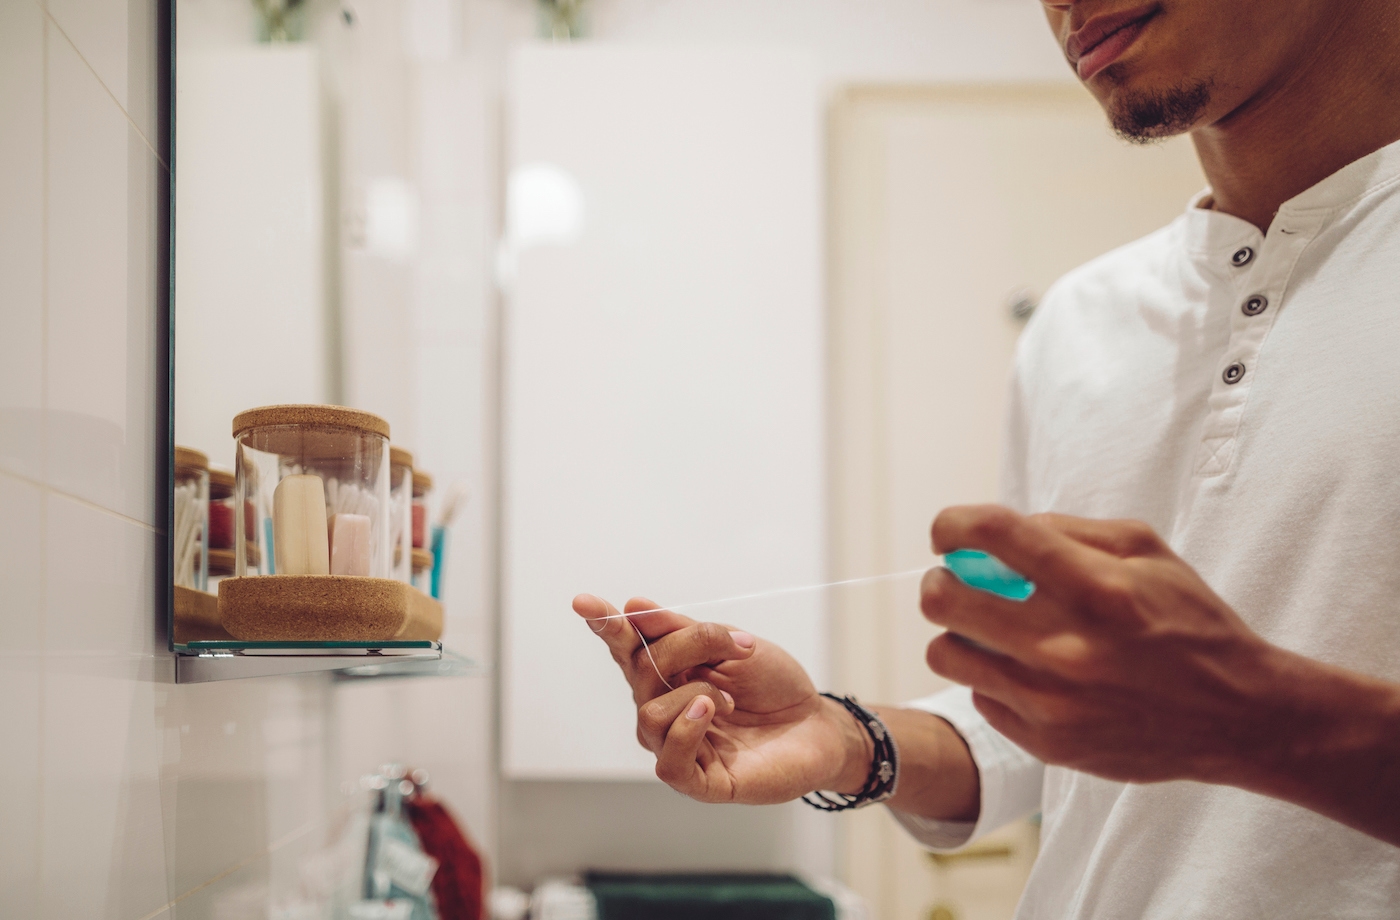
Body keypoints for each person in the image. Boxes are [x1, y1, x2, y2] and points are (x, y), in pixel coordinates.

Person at [573, 0, 1400, 914]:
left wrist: (1259, 721)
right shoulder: (1081, 323)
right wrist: (842, 740)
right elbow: (1049, 744)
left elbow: (1202, 717)